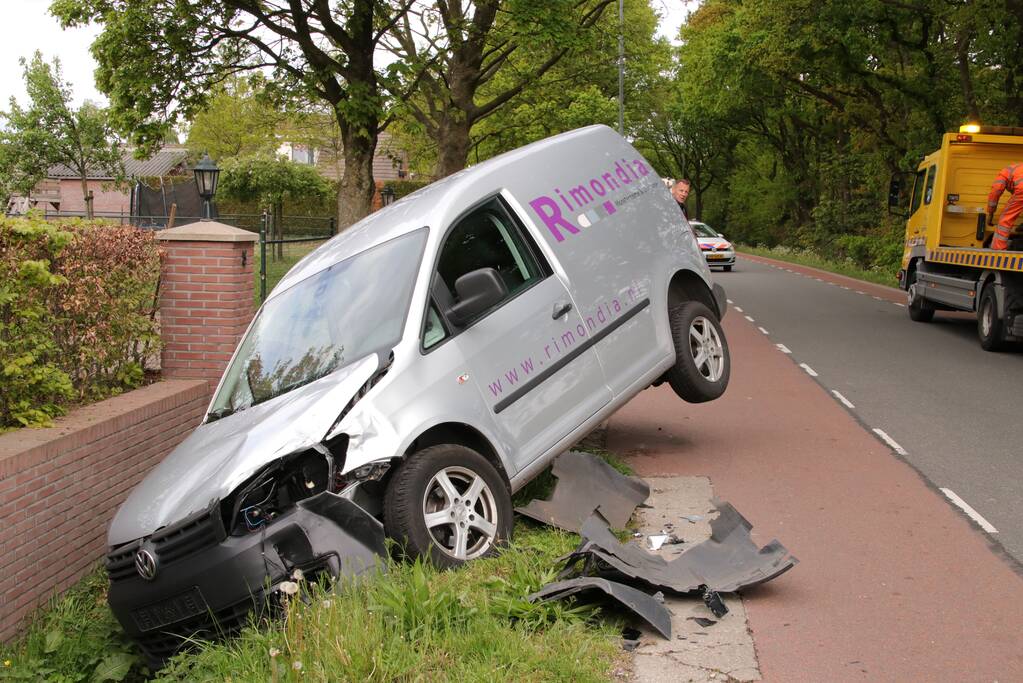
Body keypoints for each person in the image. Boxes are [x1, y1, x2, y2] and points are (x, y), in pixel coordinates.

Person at [986, 163, 1023, 250]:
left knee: (1005, 219)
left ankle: (998, 249)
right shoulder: (1018, 170)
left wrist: (990, 213)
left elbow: (996, 191)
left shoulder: (1004, 174)